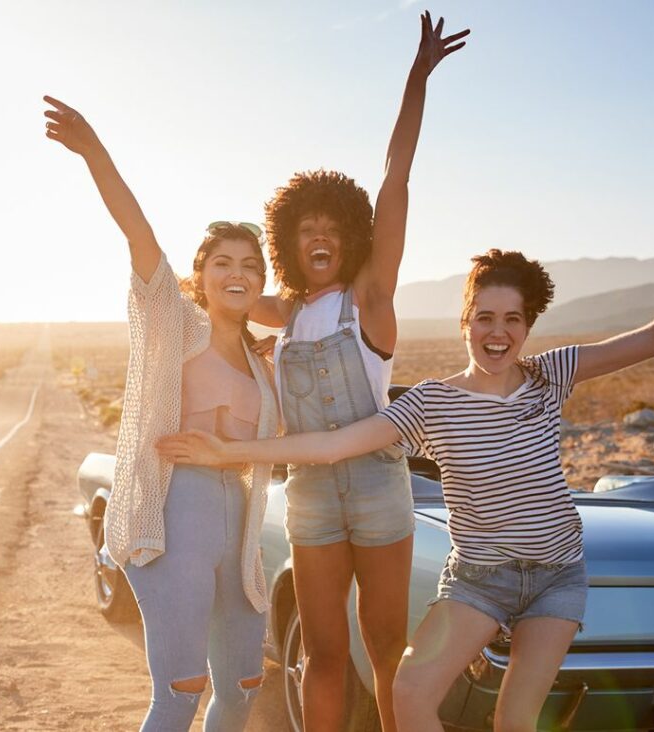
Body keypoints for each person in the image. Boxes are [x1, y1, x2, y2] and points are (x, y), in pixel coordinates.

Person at [157, 217, 654, 732]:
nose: (497, 331)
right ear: (465, 322)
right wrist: (228, 453)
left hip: (555, 578)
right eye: (485, 317)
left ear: (529, 325)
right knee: (414, 695)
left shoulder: (550, 376)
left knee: (513, 721)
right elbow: (335, 445)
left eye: (512, 319)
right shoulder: (432, 402)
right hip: (479, 578)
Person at [240, 11, 469, 731]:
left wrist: (416, 79)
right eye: (304, 228)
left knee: (385, 648)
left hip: (376, 488)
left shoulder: (370, 302)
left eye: (331, 227)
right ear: (288, 241)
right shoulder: (286, 312)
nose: (318, 235)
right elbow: (220, 293)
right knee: (325, 654)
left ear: (351, 236)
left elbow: (394, 177)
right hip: (309, 495)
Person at [43, 96, 280, 732]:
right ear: (199, 276)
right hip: (177, 514)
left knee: (243, 684)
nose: (237, 274)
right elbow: (139, 235)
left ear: (261, 282)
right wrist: (95, 152)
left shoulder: (264, 362)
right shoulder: (177, 326)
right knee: (180, 688)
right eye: (222, 263)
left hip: (240, 530)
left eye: (250, 266)